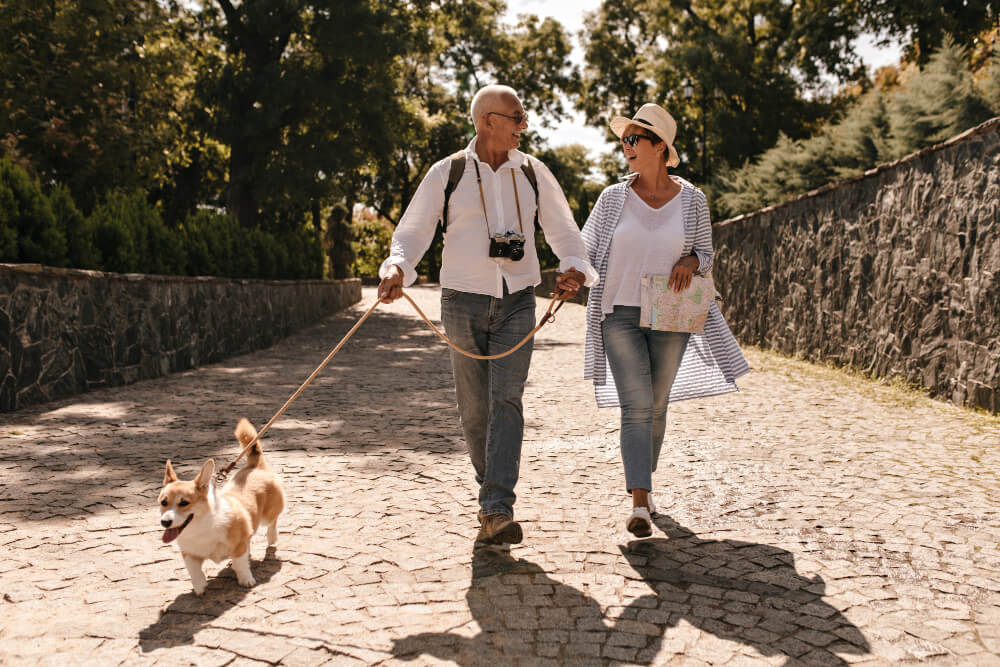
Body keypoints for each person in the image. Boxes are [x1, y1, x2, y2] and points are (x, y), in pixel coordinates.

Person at [378, 84, 598, 546]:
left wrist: (574, 269)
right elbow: (414, 228)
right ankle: (490, 499)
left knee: (507, 400)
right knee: (475, 409)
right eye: (516, 117)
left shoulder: (534, 172)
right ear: (488, 121)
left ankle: (497, 507)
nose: (524, 125)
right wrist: (397, 266)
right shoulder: (449, 172)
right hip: (462, 300)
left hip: (519, 298)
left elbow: (563, 229)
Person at [581, 103, 749, 538]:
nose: (626, 147)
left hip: (671, 312)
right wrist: (569, 275)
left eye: (634, 139)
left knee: (655, 406)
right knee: (636, 406)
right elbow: (584, 247)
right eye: (624, 140)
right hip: (618, 311)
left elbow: (708, 255)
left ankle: (644, 483)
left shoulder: (693, 199)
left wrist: (692, 259)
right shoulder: (612, 197)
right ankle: (639, 503)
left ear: (660, 147)